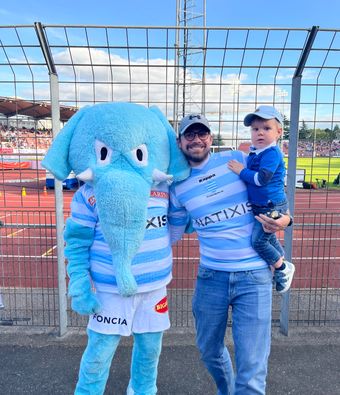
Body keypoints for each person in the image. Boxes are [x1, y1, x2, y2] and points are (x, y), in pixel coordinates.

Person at [169, 113, 292, 395]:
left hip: (254, 276)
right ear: (180, 142)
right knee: (209, 351)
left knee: (252, 364)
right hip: (211, 277)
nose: (196, 139)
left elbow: (273, 191)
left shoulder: (236, 159)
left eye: (202, 134)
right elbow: (173, 233)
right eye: (190, 135)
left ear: (210, 139)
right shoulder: (178, 186)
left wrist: (287, 220)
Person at [65, 180, 173, 395]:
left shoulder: (163, 186)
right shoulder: (89, 193)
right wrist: (80, 284)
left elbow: (180, 221)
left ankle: (143, 391)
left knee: (150, 352)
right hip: (110, 292)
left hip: (154, 289)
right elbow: (76, 242)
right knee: (99, 354)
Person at [227, 105, 295, 293]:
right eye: (255, 129)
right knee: (268, 236)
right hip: (260, 205)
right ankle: (281, 261)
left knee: (258, 241)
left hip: (271, 206)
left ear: (279, 132)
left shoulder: (272, 153)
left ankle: (282, 268)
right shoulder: (256, 152)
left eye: (266, 128)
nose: (260, 133)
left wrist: (241, 171)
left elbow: (261, 179)